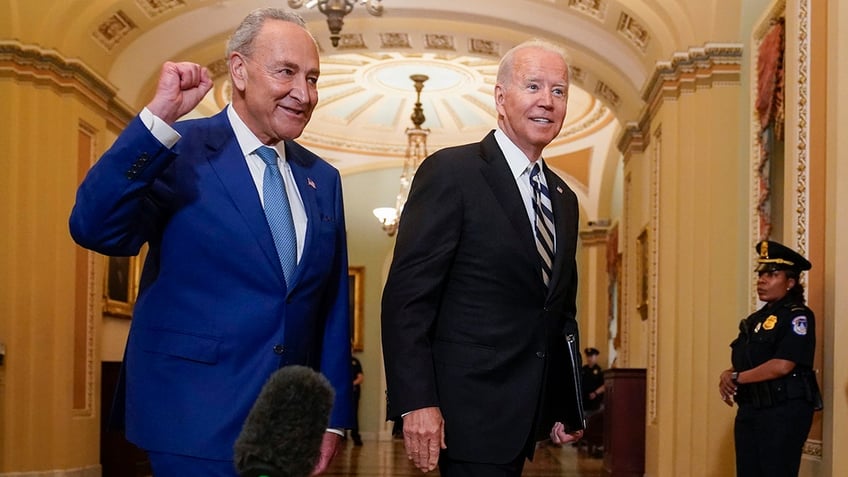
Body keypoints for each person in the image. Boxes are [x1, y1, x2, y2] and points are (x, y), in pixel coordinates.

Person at [69, 8, 353, 476]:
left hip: (286, 425)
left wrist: (333, 419)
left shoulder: (323, 178)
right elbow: (95, 228)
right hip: (191, 414)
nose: (304, 94)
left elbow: (331, 306)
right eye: (286, 72)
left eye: (313, 78)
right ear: (239, 70)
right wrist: (157, 120)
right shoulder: (179, 148)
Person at [381, 39, 585, 477]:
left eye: (559, 91)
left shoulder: (565, 198)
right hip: (465, 415)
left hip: (526, 418)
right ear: (500, 97)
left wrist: (563, 403)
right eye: (533, 86)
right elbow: (407, 301)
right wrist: (416, 402)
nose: (547, 102)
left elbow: (558, 310)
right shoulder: (452, 173)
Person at [718, 240, 822, 477]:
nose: (762, 280)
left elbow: (782, 365)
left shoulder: (798, 316)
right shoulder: (755, 320)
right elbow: (750, 359)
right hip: (751, 408)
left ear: (791, 282)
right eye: (761, 274)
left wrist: (737, 377)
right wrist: (729, 373)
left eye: (772, 274)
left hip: (783, 410)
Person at [581, 347, 605, 415]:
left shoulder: (599, 370)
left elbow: (604, 385)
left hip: (594, 403)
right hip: (584, 402)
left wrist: (595, 393)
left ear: (596, 357)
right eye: (588, 356)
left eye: (591, 356)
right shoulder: (583, 369)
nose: (589, 358)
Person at [350, 354, 364, 446]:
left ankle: (355, 435)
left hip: (354, 391)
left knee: (354, 414)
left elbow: (360, 378)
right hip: (342, 393)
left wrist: (351, 384)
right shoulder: (340, 360)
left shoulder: (355, 361)